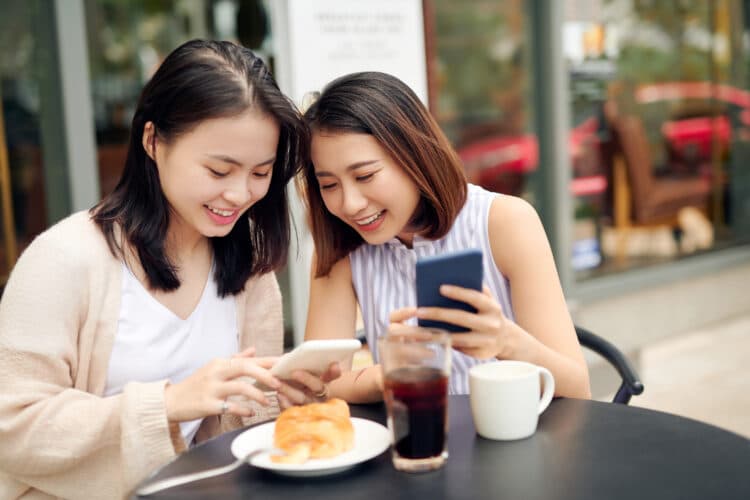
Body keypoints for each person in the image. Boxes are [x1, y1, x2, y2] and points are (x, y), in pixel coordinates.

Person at [0, 40, 337, 500]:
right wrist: (168, 404)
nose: (240, 195)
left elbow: (239, 436)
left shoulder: (250, 269)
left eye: (260, 173)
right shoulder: (65, 259)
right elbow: (11, 428)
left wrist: (284, 396)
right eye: (220, 171)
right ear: (153, 141)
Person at [299, 71, 591, 402]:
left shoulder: (505, 221)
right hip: (416, 443)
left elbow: (578, 388)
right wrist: (386, 376)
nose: (350, 204)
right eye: (329, 185)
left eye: (365, 176)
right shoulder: (341, 248)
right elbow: (317, 388)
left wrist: (507, 342)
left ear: (413, 156)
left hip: (514, 441)